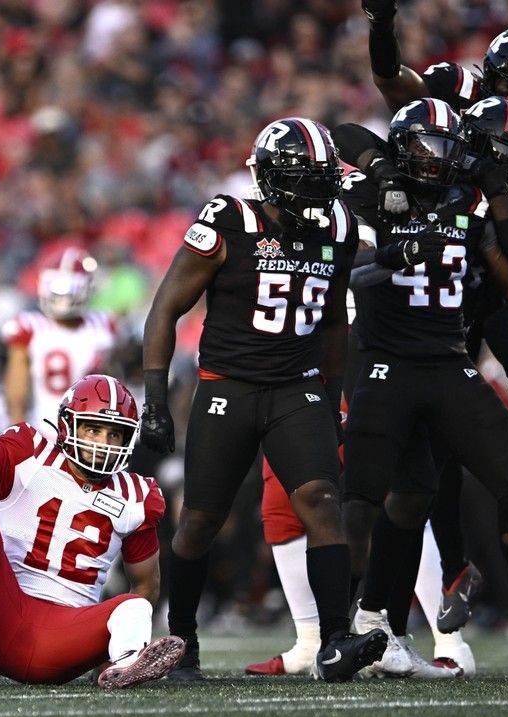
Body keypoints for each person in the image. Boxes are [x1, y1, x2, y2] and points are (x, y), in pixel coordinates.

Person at [339, 98, 508, 671]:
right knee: (369, 499)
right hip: (384, 364)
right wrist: (394, 251)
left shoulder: (467, 199)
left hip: (448, 359)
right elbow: (341, 270)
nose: (439, 158)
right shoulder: (371, 193)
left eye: (448, 146)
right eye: (429, 146)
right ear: (401, 147)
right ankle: (345, 625)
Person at [141, 116, 388, 683]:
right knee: (201, 519)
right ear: (275, 178)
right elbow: (166, 307)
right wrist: (156, 398)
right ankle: (182, 640)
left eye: (326, 178)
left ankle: (333, 642)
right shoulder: (230, 220)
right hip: (228, 386)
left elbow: (331, 323)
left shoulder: (338, 228)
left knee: (324, 500)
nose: (321, 191)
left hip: (296, 386)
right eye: (309, 178)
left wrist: (330, 397)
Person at [360, 1, 508, 577]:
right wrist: (382, 25)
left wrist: (502, 218)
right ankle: (456, 560)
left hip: (493, 262)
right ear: (488, 77)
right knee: (441, 424)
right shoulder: (449, 87)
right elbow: (389, 80)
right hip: (439, 267)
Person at [0, 357, 183, 689]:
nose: (102, 442)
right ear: (68, 426)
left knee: (134, 607)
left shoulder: (136, 495)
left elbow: (147, 584)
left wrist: (102, 647)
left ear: (128, 438)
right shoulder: (29, 453)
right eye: (92, 429)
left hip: (65, 640)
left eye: (114, 434)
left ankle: (122, 663)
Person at [2, 247, 117, 432]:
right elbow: (17, 392)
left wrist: (18, 431)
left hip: (85, 430)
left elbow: (17, 393)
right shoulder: (102, 324)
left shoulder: (102, 323)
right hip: (60, 430)